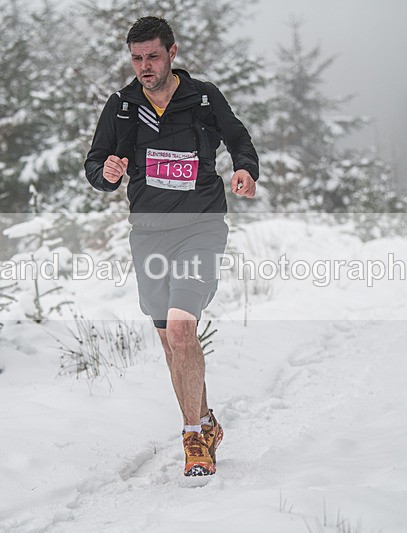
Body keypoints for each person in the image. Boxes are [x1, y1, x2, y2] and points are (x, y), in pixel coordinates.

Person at [84, 16, 259, 477]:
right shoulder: (122, 106)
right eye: (137, 58)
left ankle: (194, 438)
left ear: (172, 53)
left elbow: (240, 139)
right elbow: (95, 161)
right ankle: (206, 420)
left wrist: (245, 169)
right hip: (148, 232)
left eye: (153, 56)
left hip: (200, 226)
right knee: (169, 339)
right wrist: (105, 173)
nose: (145, 66)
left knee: (182, 329)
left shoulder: (202, 98)